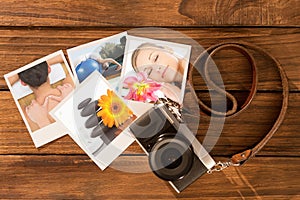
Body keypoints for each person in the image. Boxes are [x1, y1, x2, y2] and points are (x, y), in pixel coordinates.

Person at [9, 56, 74, 131]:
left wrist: (20, 72)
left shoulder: (27, 115)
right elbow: (65, 56)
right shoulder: (70, 87)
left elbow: (8, 80)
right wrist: (39, 66)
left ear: (23, 83)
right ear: (49, 69)